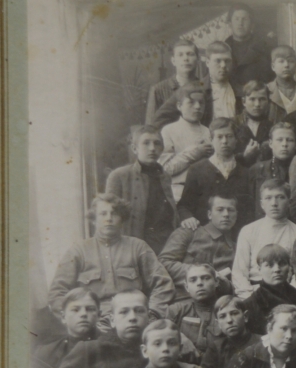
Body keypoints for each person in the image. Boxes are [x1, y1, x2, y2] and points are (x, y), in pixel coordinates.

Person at [47, 194, 177, 320]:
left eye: (114, 214)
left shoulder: (138, 247)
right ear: (94, 220)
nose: (109, 218)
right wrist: (76, 318)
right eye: (103, 214)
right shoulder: (78, 250)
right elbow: (57, 293)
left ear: (122, 219)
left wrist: (152, 314)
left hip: (131, 318)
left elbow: (163, 285)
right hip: (94, 322)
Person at [35, 290, 151, 368]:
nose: (132, 317)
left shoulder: (156, 351)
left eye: (139, 311)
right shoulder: (90, 350)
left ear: (149, 317)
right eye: (124, 312)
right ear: (112, 320)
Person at [104, 124, 186, 253]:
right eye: (146, 143)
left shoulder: (164, 176)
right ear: (134, 148)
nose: (152, 148)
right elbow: (108, 217)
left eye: (157, 143)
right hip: (135, 247)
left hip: (166, 245)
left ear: (162, 148)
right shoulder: (119, 176)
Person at [176, 117, 254, 228]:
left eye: (229, 136)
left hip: (237, 232)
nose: (224, 141)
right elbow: (184, 206)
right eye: (219, 137)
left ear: (236, 140)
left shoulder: (245, 172)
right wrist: (188, 217)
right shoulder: (197, 169)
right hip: (205, 231)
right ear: (211, 139)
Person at [231, 181, 296, 298]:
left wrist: (289, 296)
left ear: (289, 202)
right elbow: (239, 272)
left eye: (280, 197)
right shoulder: (248, 230)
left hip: (286, 293)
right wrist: (250, 298)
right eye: (268, 198)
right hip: (254, 292)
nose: (274, 203)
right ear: (262, 204)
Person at [159, 193, 238, 291]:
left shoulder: (235, 248)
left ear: (236, 215)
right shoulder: (188, 232)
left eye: (230, 210)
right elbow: (163, 263)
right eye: (220, 209)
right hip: (181, 295)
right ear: (209, 214)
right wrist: (202, 273)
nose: (226, 214)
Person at [243, 244, 296, 334]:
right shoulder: (250, 305)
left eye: (282, 264)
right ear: (259, 269)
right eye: (270, 265)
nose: (277, 269)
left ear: (289, 267)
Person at [158, 85, 214, 202]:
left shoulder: (208, 131)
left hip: (207, 192)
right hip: (179, 192)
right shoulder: (169, 130)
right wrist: (195, 152)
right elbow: (165, 169)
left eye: (201, 103)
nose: (197, 107)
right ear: (179, 106)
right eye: (191, 102)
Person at [31, 288, 98, 368]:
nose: (83, 314)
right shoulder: (45, 353)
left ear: (99, 315)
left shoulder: (110, 349)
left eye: (90, 309)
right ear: (63, 317)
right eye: (75, 309)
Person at [165, 263, 223, 361]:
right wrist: (180, 338)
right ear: (186, 287)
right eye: (193, 280)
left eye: (206, 278)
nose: (199, 283)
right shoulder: (177, 310)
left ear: (216, 282)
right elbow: (163, 335)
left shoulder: (226, 310)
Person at [144, 38, 202, 128]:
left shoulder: (204, 88)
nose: (186, 58)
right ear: (173, 61)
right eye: (180, 55)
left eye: (190, 54)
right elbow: (150, 127)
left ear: (198, 59)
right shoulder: (158, 89)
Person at [199, 294, 255, 368]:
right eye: (222, 316)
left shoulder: (262, 343)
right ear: (218, 323)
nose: (229, 320)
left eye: (234, 313)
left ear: (245, 317)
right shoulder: (216, 348)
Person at [249, 122, 296, 220]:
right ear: (270, 143)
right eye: (279, 140)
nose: (284, 144)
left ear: (295, 145)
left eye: (289, 140)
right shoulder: (257, 170)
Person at [233, 80, 284, 166]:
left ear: (268, 102)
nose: (257, 104)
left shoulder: (273, 126)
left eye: (262, 99)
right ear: (244, 102)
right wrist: (244, 156)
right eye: (252, 99)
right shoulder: (233, 124)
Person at [224, 4, 273, 90]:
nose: (240, 23)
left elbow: (270, 78)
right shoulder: (223, 49)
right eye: (236, 19)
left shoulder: (264, 47)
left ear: (252, 24)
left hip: (257, 95)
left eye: (245, 19)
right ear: (230, 24)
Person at [266, 45, 296, 115]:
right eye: (281, 61)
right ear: (273, 66)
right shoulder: (266, 90)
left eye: (290, 61)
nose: (286, 65)